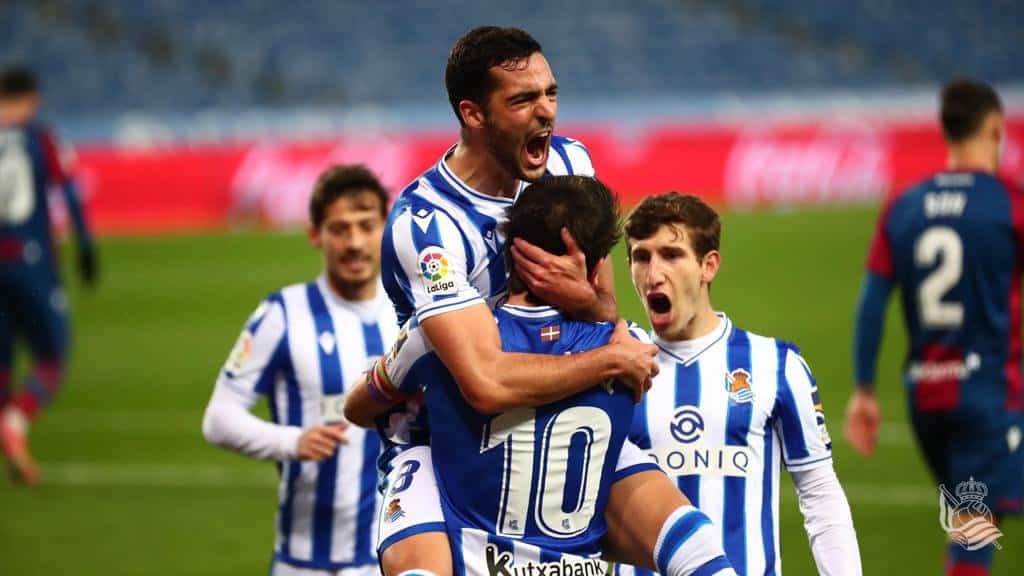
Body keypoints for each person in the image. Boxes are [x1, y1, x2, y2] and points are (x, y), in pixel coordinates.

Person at [345, 26, 715, 576]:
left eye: (551, 94)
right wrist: (612, 358)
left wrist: (590, 307)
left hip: (563, 409)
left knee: (700, 550)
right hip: (444, 437)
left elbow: (608, 314)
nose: (547, 112)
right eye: (523, 100)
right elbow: (485, 383)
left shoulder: (570, 166)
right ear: (473, 114)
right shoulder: (428, 225)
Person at [350, 176, 735, 575]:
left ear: (509, 255)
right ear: (598, 266)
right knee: (696, 544)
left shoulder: (437, 344)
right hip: (579, 560)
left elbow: (357, 407)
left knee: (413, 478)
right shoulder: (631, 349)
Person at [612, 192, 861, 575]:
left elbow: (819, 494)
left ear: (708, 266)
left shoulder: (776, 365)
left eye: (672, 255)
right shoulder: (614, 366)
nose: (653, 274)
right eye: (641, 257)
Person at [846, 78, 1022, 576]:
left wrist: (864, 389)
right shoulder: (1010, 203)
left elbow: (872, 303)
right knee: (973, 533)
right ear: (994, 127)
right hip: (990, 394)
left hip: (928, 401)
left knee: (973, 523)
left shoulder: (905, 206)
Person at [202, 165, 397, 576]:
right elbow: (218, 419)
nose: (355, 243)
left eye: (366, 226)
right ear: (315, 235)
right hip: (302, 562)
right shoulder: (282, 315)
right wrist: (292, 441)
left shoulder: (412, 316)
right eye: (340, 229)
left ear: (387, 227)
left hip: (389, 559)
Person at [0, 65, 97, 485]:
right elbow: (70, 194)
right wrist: (86, 247)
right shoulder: (41, 138)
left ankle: (13, 441)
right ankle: (16, 423)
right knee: (52, 355)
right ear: (31, 99)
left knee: (2, 359)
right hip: (31, 261)